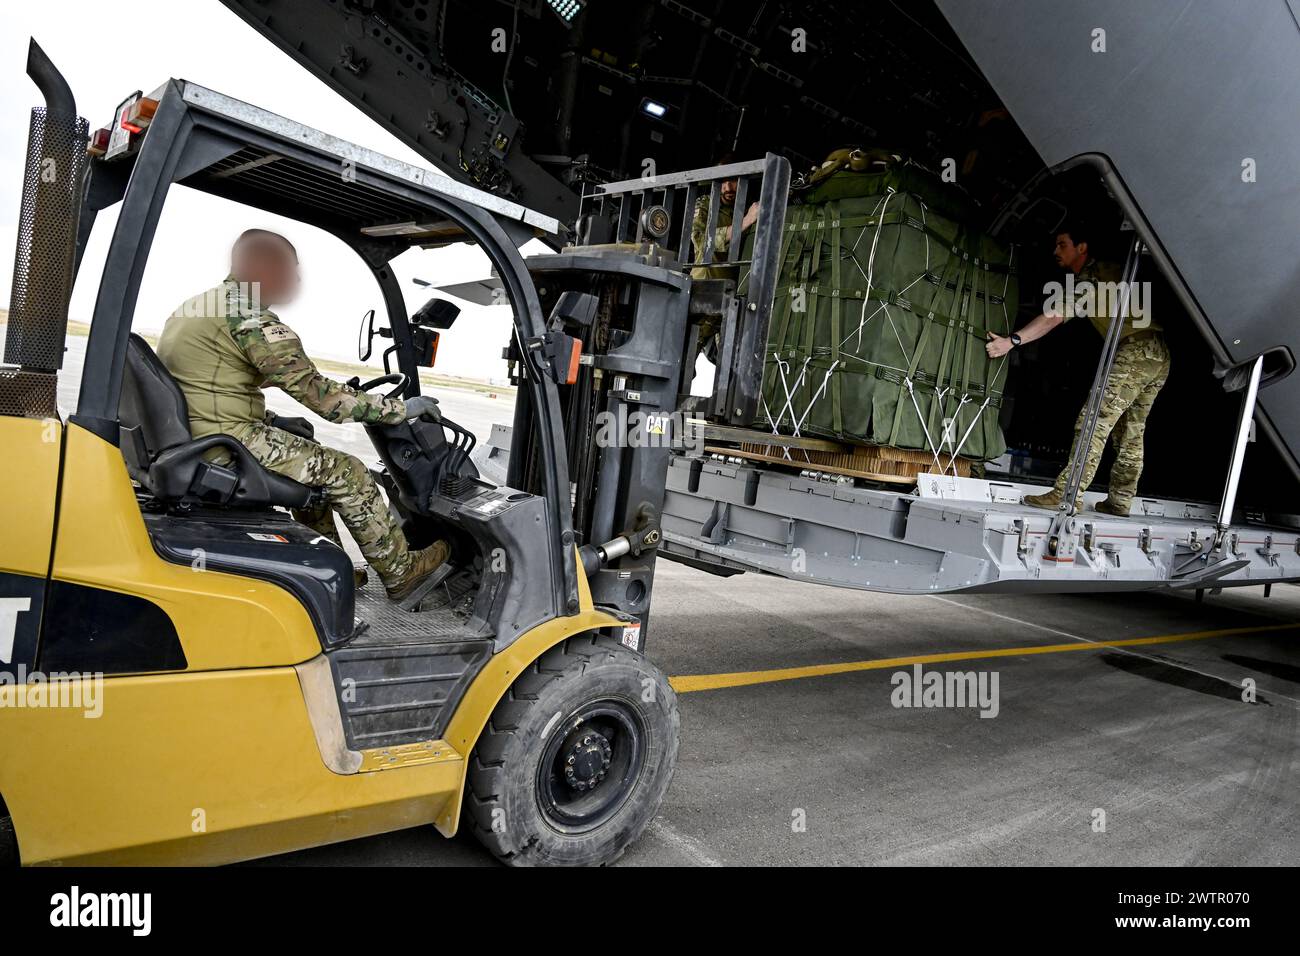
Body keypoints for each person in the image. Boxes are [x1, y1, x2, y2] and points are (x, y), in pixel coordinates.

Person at [156, 229, 448, 601]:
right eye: (290, 270)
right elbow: (321, 397)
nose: (295, 281)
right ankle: (402, 573)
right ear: (262, 267)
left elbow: (210, 386)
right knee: (348, 471)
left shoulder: (202, 306)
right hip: (225, 443)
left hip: (200, 436)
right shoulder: (248, 317)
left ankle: (326, 567)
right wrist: (401, 409)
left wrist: (274, 421)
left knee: (317, 476)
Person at [985, 224, 1170, 516]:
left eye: (1062, 244)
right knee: (1131, 431)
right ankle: (1120, 500)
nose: (1055, 251)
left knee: (1094, 419)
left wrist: (1013, 340)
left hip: (1135, 350)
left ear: (1081, 248)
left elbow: (1055, 315)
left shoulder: (1093, 276)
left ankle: (1066, 494)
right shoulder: (1111, 270)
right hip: (1157, 353)